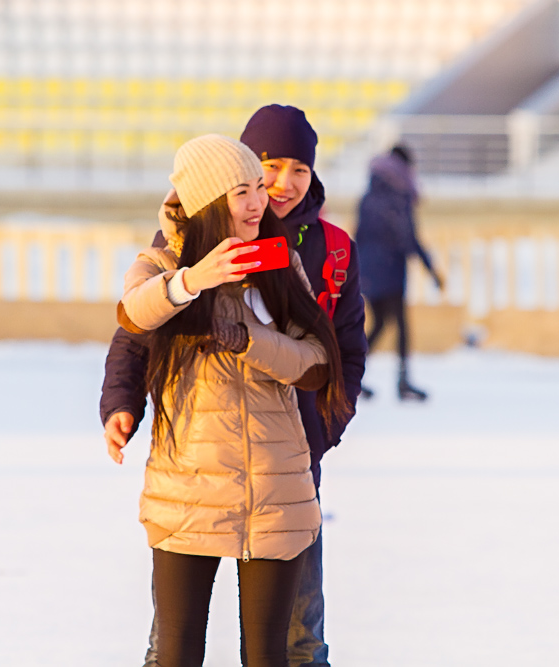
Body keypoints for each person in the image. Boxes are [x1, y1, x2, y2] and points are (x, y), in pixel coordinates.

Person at [101, 105, 367, 667]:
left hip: (283, 474)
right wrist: (121, 402)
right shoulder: (170, 256)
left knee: (293, 644)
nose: (274, 189)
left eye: (298, 170)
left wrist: (320, 432)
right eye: (261, 173)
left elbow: (334, 357)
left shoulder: (310, 254)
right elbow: (133, 322)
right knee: (173, 648)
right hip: (194, 477)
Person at [355, 142, 444, 401]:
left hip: (367, 270)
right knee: (401, 324)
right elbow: (408, 236)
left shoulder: (368, 195)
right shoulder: (399, 193)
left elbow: (358, 234)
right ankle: (403, 382)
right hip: (391, 268)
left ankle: (353, 376)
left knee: (380, 322)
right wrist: (431, 269)